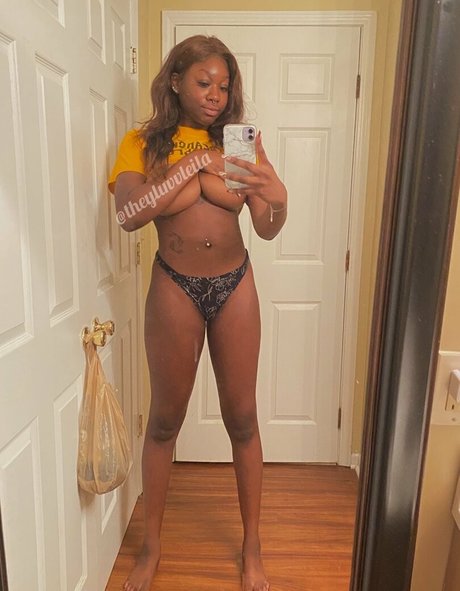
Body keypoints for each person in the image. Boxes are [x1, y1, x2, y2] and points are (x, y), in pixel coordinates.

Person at [108, 34, 287, 591]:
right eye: (204, 82)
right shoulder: (143, 143)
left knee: (243, 418)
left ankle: (252, 546)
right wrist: (195, 165)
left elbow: (266, 227)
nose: (215, 95)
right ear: (176, 81)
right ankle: (151, 547)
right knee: (165, 421)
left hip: (235, 283)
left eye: (224, 86)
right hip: (174, 284)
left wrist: (278, 196)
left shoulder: (239, 142)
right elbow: (132, 215)